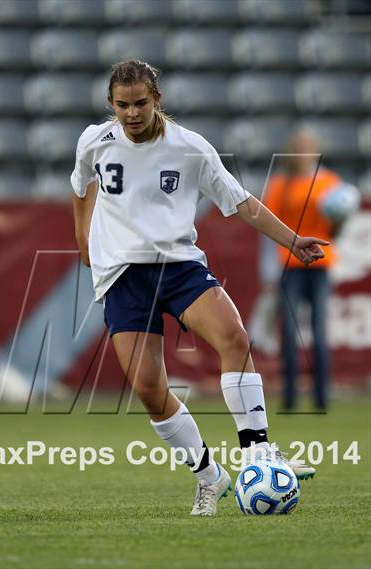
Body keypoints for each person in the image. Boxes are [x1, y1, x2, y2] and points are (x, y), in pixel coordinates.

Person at [71, 61, 326, 517]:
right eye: (123, 105)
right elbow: (80, 185)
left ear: (158, 100)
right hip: (123, 276)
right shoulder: (93, 140)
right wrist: (82, 237)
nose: (132, 114)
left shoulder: (189, 148)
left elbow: (241, 203)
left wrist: (293, 239)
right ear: (111, 104)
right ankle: (210, 477)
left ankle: (257, 453)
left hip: (179, 266)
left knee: (234, 337)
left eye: (141, 103)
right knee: (150, 390)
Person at [263, 130, 349, 412]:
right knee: (289, 332)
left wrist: (339, 219)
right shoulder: (279, 185)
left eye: (307, 149)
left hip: (321, 265)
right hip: (289, 266)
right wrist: (268, 271)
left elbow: (335, 231)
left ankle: (321, 397)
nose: (303, 154)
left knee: (320, 332)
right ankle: (290, 398)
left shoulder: (330, 183)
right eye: (298, 148)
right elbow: (267, 228)